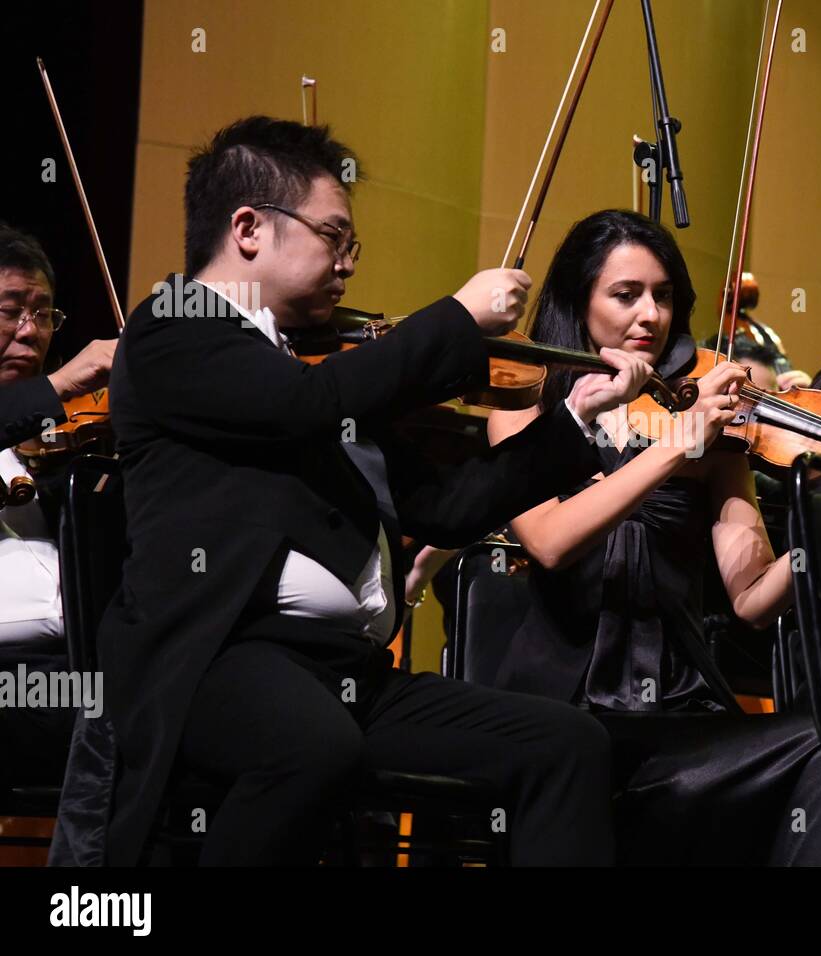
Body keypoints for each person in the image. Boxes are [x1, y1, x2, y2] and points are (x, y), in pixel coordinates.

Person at [51, 117, 655, 867]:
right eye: (334, 238)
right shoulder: (176, 327)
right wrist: (457, 319)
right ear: (248, 228)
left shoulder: (316, 364)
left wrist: (571, 418)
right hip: (213, 660)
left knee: (565, 744)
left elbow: (448, 506)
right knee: (311, 745)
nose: (348, 266)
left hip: (345, 676)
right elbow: (303, 407)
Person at [487, 209, 821, 865]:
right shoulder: (525, 400)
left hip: (684, 706)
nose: (651, 315)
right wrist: (677, 447)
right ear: (578, 299)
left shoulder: (709, 424)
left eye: (664, 295)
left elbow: (754, 597)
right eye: (626, 295)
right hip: (563, 709)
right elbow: (550, 540)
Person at [0, 222, 115, 789]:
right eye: (11, 310)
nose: (30, 333)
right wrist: (62, 384)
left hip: (73, 665)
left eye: (43, 314)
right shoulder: (50, 399)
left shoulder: (65, 438)